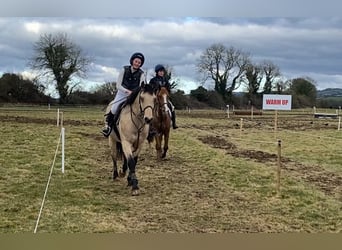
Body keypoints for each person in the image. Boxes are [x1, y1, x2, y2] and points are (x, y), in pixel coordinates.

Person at [101, 52, 146, 137]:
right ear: (132, 61)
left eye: (139, 63)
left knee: (144, 109)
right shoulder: (124, 70)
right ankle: (108, 127)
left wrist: (135, 93)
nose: (137, 64)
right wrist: (127, 91)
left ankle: (147, 130)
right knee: (114, 109)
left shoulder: (142, 74)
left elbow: (141, 87)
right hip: (122, 94)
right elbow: (118, 85)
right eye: (136, 61)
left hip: (134, 96)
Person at [149, 64, 178, 129]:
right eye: (160, 71)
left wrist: (167, 95)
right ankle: (150, 126)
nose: (162, 72)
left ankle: (174, 123)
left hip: (164, 98)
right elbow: (150, 90)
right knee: (149, 108)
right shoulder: (153, 80)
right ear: (157, 72)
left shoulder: (166, 80)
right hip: (155, 98)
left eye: (162, 71)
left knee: (172, 107)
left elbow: (169, 89)